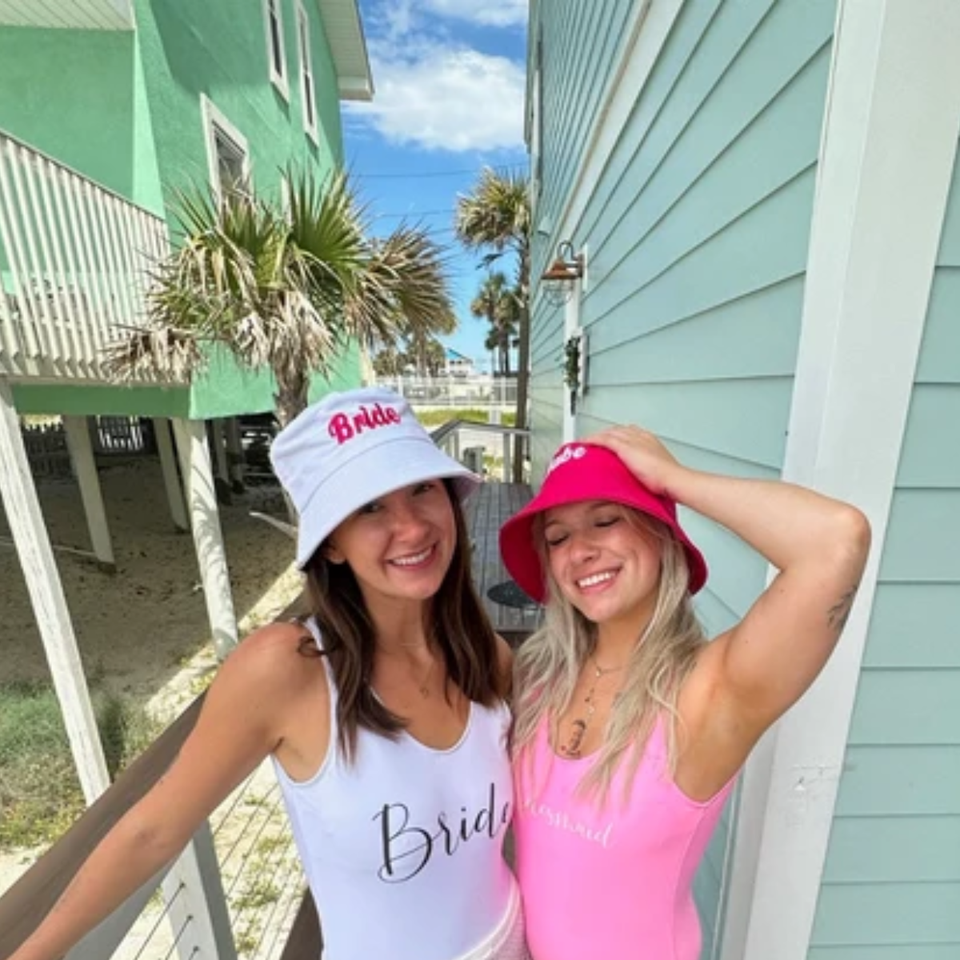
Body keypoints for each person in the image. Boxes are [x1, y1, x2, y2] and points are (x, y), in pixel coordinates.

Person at [11, 387, 526, 960]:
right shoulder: (288, 668)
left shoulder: (486, 657)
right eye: (369, 507)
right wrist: (34, 952)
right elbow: (153, 830)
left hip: (511, 940)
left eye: (421, 488)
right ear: (331, 545)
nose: (410, 527)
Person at [500, 426, 871, 960]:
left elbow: (837, 540)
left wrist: (674, 480)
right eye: (557, 537)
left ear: (660, 533)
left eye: (607, 520)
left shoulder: (708, 692)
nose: (580, 551)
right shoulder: (539, 678)